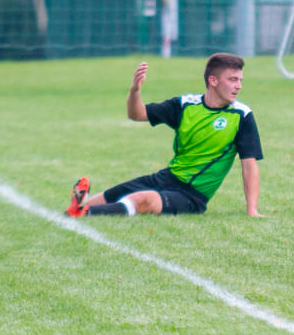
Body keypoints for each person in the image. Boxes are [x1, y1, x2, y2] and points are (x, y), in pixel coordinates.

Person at [66, 53, 264, 218]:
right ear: (213, 81)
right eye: (233, 80)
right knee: (115, 193)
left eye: (240, 80)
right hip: (166, 177)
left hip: (192, 195)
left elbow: (249, 165)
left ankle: (86, 213)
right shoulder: (185, 105)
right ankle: (76, 210)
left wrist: (251, 210)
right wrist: (135, 90)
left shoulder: (241, 116)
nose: (239, 86)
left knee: (145, 199)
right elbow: (137, 114)